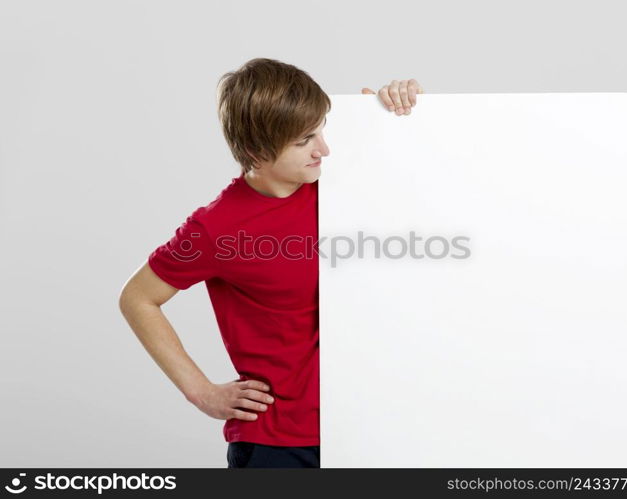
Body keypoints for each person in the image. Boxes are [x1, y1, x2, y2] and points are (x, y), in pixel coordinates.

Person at [118, 58, 424, 468]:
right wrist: (201, 392)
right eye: (303, 141)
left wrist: (390, 110)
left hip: (369, 426)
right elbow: (138, 298)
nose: (324, 149)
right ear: (255, 152)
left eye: (321, 130)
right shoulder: (217, 228)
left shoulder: (340, 177)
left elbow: (421, 173)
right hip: (279, 444)